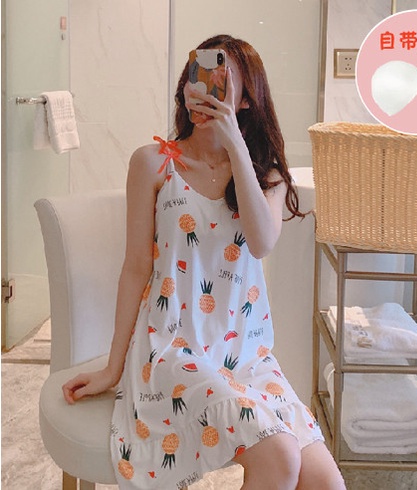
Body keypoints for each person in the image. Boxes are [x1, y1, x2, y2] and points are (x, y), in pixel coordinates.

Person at [62, 34, 346, 490]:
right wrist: (113, 368)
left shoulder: (266, 175)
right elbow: (135, 267)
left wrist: (234, 144)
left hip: (245, 353)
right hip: (173, 346)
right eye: (200, 72)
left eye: (223, 78)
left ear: (247, 98)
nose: (206, 85)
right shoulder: (154, 162)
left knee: (325, 482)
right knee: (279, 455)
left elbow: (261, 243)